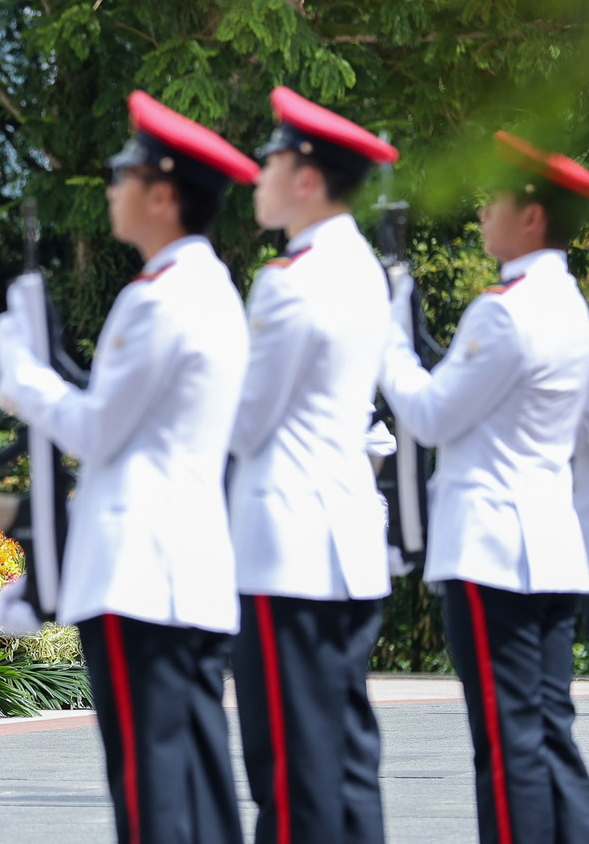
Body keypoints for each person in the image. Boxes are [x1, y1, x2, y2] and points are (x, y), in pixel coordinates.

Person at [0, 91, 257, 844]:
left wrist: (21, 368)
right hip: (184, 568)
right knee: (196, 790)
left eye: (125, 174)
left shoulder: (160, 298)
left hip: (143, 575)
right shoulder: (209, 287)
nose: (114, 188)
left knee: (153, 798)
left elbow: (98, 429)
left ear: (164, 193)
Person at [380, 131, 589, 843]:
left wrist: (391, 339)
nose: (481, 215)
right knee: (549, 733)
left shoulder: (504, 310)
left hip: (492, 553)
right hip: (554, 550)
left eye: (494, 202)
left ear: (531, 216)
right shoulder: (573, 309)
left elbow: (431, 414)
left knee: (506, 746)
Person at [227, 86, 396, 844]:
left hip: (289, 551)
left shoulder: (289, 281)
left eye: (270, 159)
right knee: (345, 758)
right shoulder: (361, 265)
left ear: (305, 177)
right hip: (348, 543)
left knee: (290, 772)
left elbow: (245, 421)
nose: (258, 174)